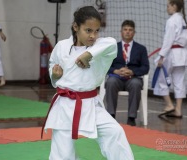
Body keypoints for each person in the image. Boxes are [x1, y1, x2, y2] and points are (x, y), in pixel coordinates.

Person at [42, 6, 134, 160]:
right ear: (76, 27)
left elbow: (111, 43)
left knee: (114, 132)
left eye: (97, 31)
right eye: (88, 30)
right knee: (62, 154)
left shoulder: (100, 48)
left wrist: (88, 54)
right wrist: (54, 74)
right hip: (64, 106)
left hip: (90, 104)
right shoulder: (62, 46)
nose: (93, 35)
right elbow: (53, 64)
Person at [105, 20, 149, 126]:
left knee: (136, 84)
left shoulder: (141, 49)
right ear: (121, 32)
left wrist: (132, 71)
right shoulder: (113, 47)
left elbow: (145, 68)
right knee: (110, 82)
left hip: (133, 78)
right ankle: (111, 116)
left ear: (134, 32)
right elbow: (105, 66)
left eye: (130, 30)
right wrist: (115, 71)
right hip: (117, 77)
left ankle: (131, 117)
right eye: (125, 29)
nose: (127, 32)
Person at [153, 0, 187, 118]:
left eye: (168, 6)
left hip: (171, 53)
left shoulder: (171, 20)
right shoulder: (184, 20)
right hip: (182, 54)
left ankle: (169, 104)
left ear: (174, 6)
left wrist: (161, 56)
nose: (167, 8)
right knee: (179, 81)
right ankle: (178, 110)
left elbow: (168, 40)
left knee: (161, 79)